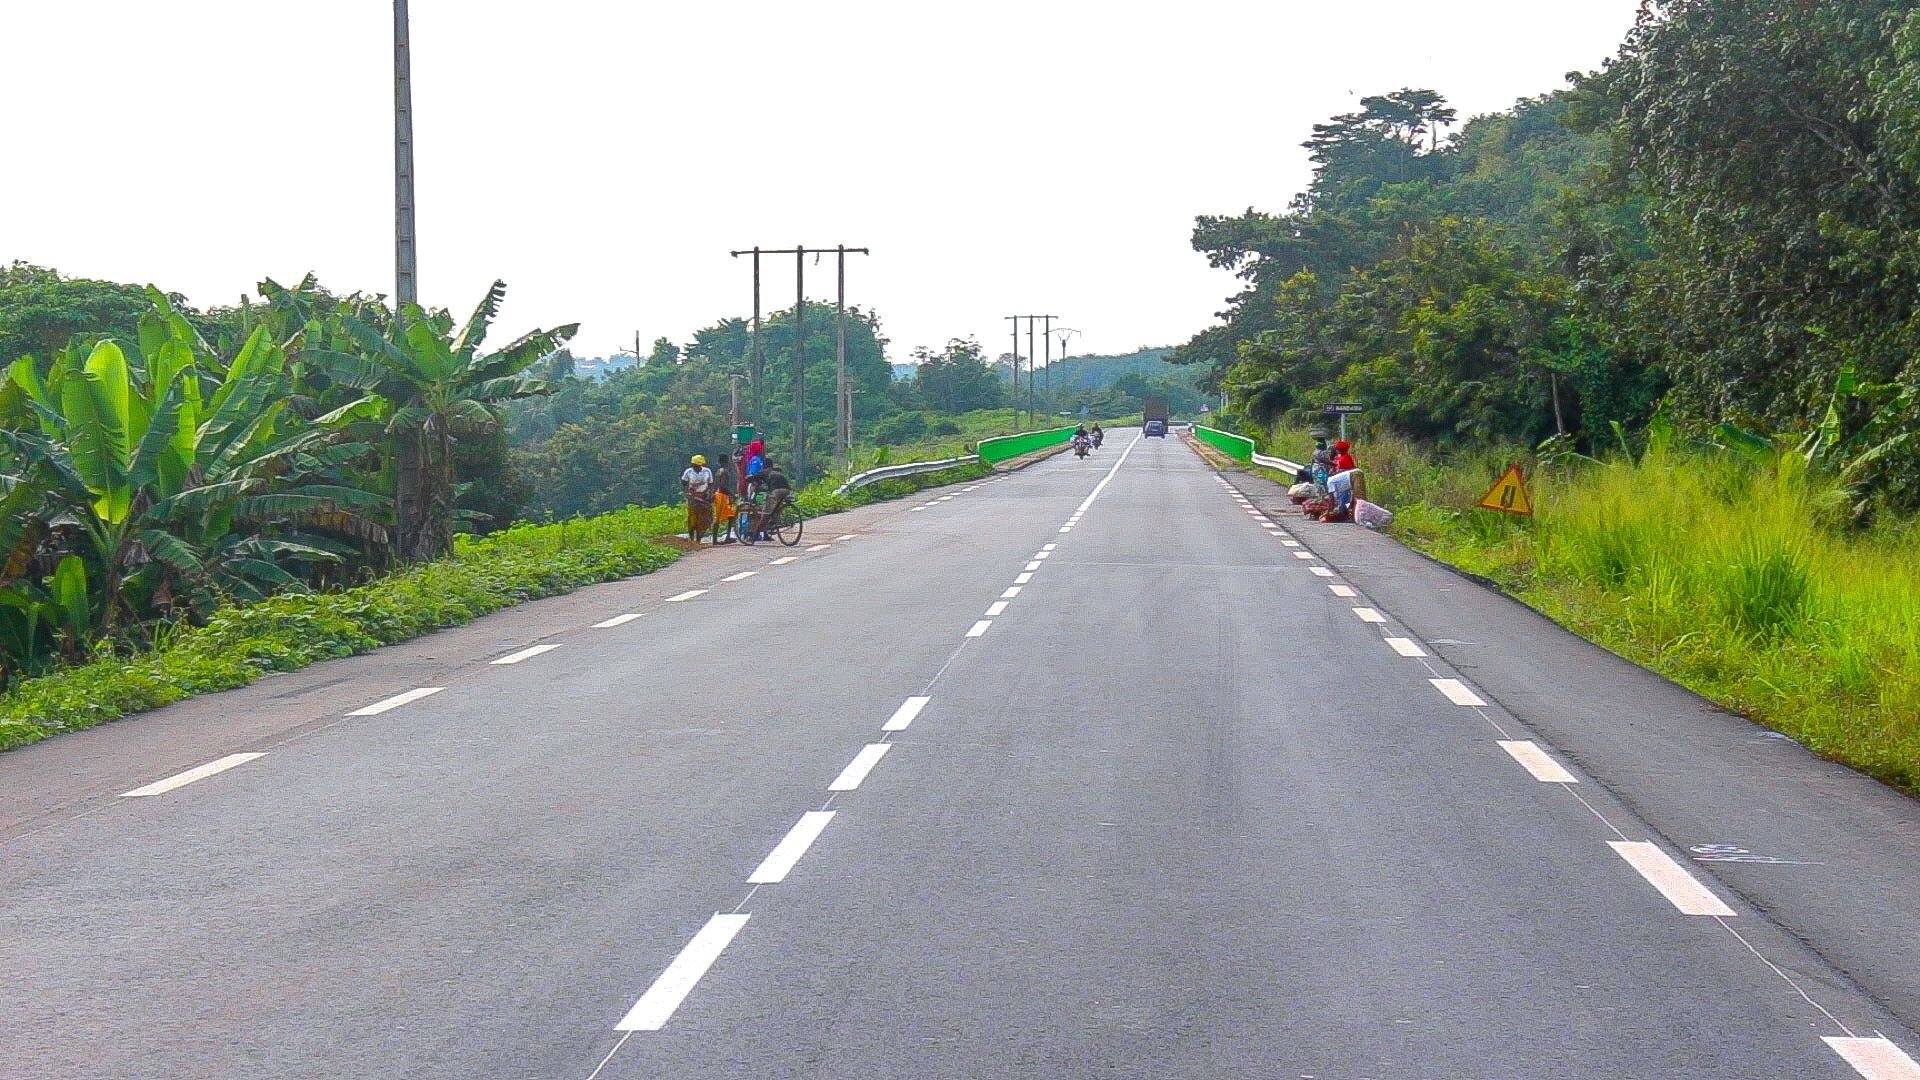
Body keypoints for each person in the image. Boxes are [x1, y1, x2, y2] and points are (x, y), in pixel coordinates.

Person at [681, 454, 715, 542]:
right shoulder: (688, 472)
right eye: (695, 465)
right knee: (692, 519)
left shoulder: (707, 471)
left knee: (703, 518)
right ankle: (692, 539)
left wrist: (710, 495)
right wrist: (687, 493)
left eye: (699, 465)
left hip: (704, 497)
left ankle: (699, 539)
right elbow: (684, 483)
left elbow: (711, 484)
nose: (697, 467)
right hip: (693, 497)